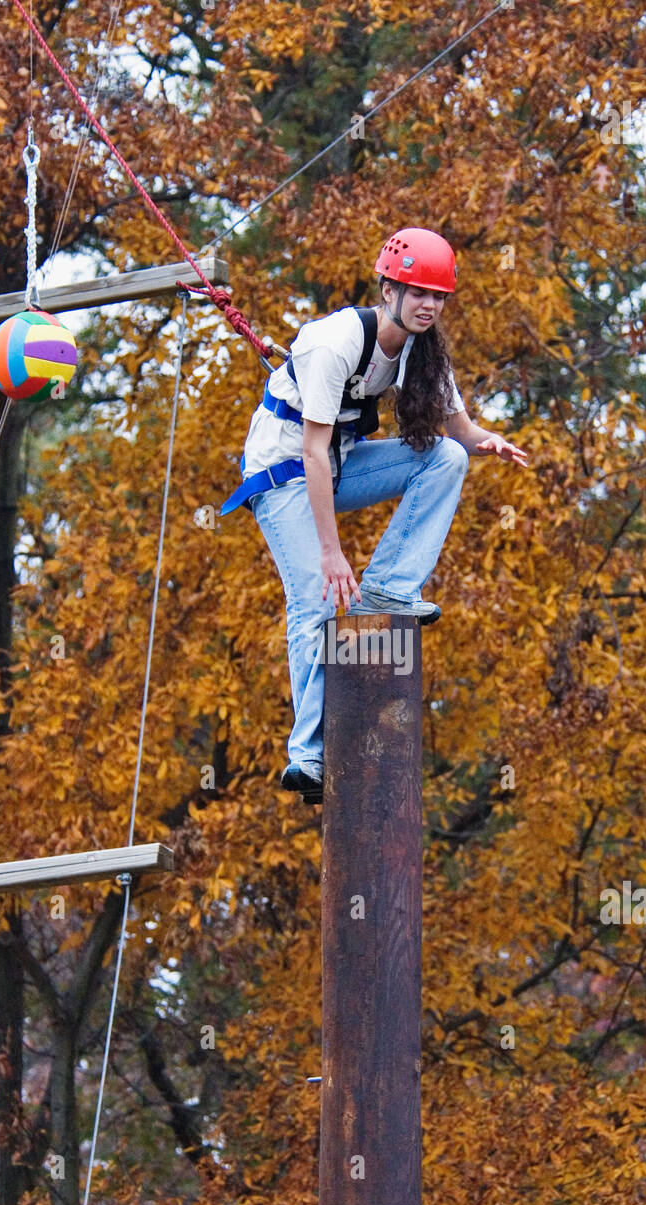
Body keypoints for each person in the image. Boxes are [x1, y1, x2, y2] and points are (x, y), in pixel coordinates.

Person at [220, 227, 528, 801]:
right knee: (314, 597)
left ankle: (387, 588)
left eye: (438, 296)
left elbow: (457, 429)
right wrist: (333, 553)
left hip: (334, 465)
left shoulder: (423, 348)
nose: (428, 305)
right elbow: (311, 451)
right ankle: (308, 754)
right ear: (387, 287)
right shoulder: (334, 342)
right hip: (285, 473)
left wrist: (490, 441)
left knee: (445, 458)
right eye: (416, 292)